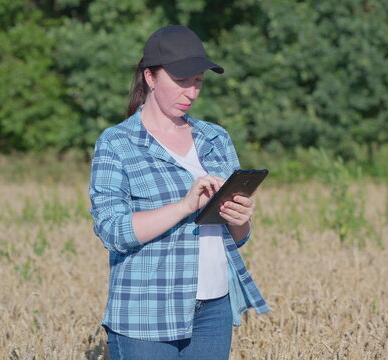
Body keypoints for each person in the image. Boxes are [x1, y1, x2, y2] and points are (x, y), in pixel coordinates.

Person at [89, 25, 269, 360]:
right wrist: (185, 205)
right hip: (145, 314)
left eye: (198, 81)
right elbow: (112, 231)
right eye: (181, 80)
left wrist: (241, 220)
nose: (192, 92)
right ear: (150, 77)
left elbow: (236, 237)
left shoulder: (216, 138)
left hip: (214, 309)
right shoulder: (117, 143)